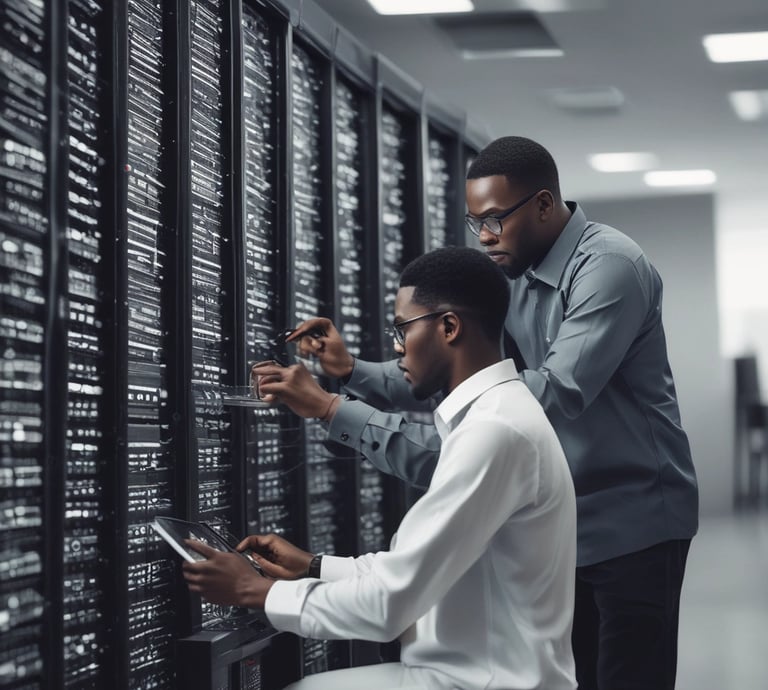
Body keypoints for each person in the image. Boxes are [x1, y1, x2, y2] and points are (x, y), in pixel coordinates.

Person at [283, 136, 699, 690]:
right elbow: (461, 369)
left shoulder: (610, 267)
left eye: (496, 219)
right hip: (564, 523)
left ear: (545, 205)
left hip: (634, 522)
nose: (483, 237)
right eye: (474, 221)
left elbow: (545, 397)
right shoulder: (517, 274)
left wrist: (337, 411)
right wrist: (351, 370)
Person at [182, 246, 578, 690]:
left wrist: (255, 591)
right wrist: (315, 567)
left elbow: (390, 603)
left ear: (449, 327)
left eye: (401, 328)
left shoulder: (495, 431)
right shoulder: (497, 416)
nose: (396, 346)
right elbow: (411, 569)